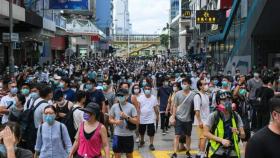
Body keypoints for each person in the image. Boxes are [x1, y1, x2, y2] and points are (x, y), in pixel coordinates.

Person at [204, 90, 245, 158]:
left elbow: (243, 135)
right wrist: (221, 140)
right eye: (223, 100)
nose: (227, 102)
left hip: (233, 151)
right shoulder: (214, 115)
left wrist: (237, 132)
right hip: (217, 151)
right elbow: (205, 133)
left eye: (229, 99)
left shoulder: (236, 116)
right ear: (218, 102)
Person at [109, 89, 138, 158]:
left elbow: (136, 121)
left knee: (129, 155)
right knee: (117, 154)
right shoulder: (114, 106)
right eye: (118, 95)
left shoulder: (131, 107)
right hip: (117, 135)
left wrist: (127, 117)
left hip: (128, 135)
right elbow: (110, 119)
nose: (120, 97)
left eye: (122, 95)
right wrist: (116, 122)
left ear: (127, 96)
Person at [171, 78, 196, 158]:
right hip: (179, 118)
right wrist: (173, 117)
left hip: (188, 119)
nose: (184, 85)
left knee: (188, 136)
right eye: (183, 83)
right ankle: (175, 152)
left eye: (185, 83)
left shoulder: (193, 94)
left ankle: (188, 151)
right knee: (177, 135)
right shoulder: (178, 94)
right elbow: (175, 106)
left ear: (189, 85)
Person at [138, 84, 159, 150]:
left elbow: (155, 108)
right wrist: (137, 116)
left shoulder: (153, 98)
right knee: (141, 131)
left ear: (151, 90)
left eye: (148, 89)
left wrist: (157, 116)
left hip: (150, 118)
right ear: (144, 90)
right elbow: (138, 108)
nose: (147, 90)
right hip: (142, 117)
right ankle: (142, 141)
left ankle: (151, 144)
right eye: (146, 89)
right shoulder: (140, 97)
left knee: (151, 131)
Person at [194, 79, 210, 158]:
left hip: (206, 120)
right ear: (200, 86)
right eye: (204, 84)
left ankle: (199, 153)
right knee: (204, 138)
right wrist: (200, 121)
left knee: (202, 138)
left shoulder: (206, 95)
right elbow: (197, 110)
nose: (206, 85)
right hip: (201, 121)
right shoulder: (197, 96)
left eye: (206, 84)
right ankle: (202, 154)